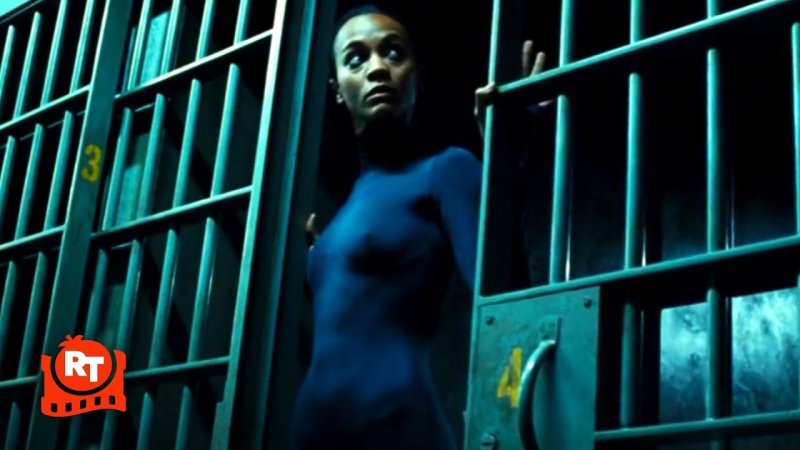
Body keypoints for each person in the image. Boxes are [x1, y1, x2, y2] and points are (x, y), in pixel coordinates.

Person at [289, 5, 547, 449]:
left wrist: (506, 162)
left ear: (417, 77)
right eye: (356, 58)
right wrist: (320, 256)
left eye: (393, 53)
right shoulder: (337, 222)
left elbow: (506, 303)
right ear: (337, 90)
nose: (377, 68)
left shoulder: (445, 171)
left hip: (399, 432)